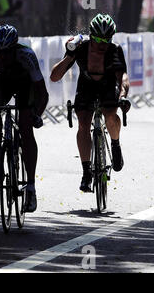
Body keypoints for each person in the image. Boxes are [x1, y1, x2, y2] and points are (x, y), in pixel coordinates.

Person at [50, 14, 131, 192]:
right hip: (86, 85)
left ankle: (115, 144)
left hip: (107, 85)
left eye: (106, 40)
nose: (101, 44)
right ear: (90, 36)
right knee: (83, 123)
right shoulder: (80, 48)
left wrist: (123, 96)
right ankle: (86, 172)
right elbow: (54, 77)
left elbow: (122, 77)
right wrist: (69, 57)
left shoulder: (114, 50)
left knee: (111, 115)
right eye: (97, 39)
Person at [0, 24, 49, 213]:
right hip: (3, 86)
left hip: (25, 87)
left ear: (14, 48)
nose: (2, 57)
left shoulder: (26, 55)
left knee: (25, 128)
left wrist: (37, 114)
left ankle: (31, 186)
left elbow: (42, 92)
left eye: (6, 52)